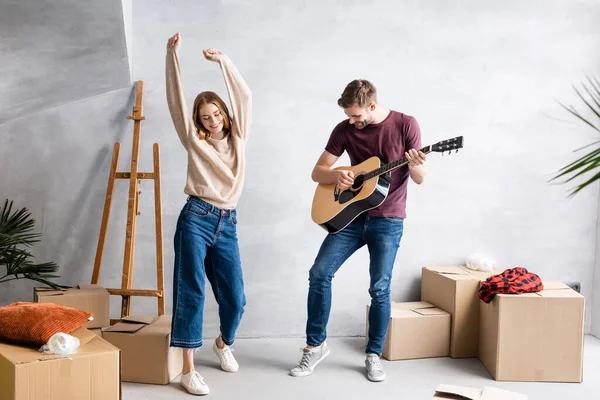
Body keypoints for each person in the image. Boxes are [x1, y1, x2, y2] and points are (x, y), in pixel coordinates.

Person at [290, 79, 426, 382]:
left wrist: (415, 164)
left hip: (388, 219)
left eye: (356, 116)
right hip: (350, 218)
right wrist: (339, 175)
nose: (352, 122)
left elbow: (419, 178)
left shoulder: (405, 125)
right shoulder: (344, 129)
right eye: (349, 116)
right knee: (319, 274)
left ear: (372, 106)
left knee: (379, 288)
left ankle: (373, 354)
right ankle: (315, 346)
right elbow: (317, 172)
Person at [165, 32, 252, 395]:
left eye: (217, 113)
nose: (213, 119)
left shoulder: (239, 137)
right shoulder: (194, 140)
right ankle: (188, 370)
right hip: (196, 219)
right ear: (198, 121)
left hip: (227, 222)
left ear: (225, 114)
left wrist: (223, 61)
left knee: (235, 299)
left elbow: (244, 96)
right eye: (205, 116)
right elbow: (175, 99)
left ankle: (223, 343)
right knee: (192, 293)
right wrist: (173, 56)